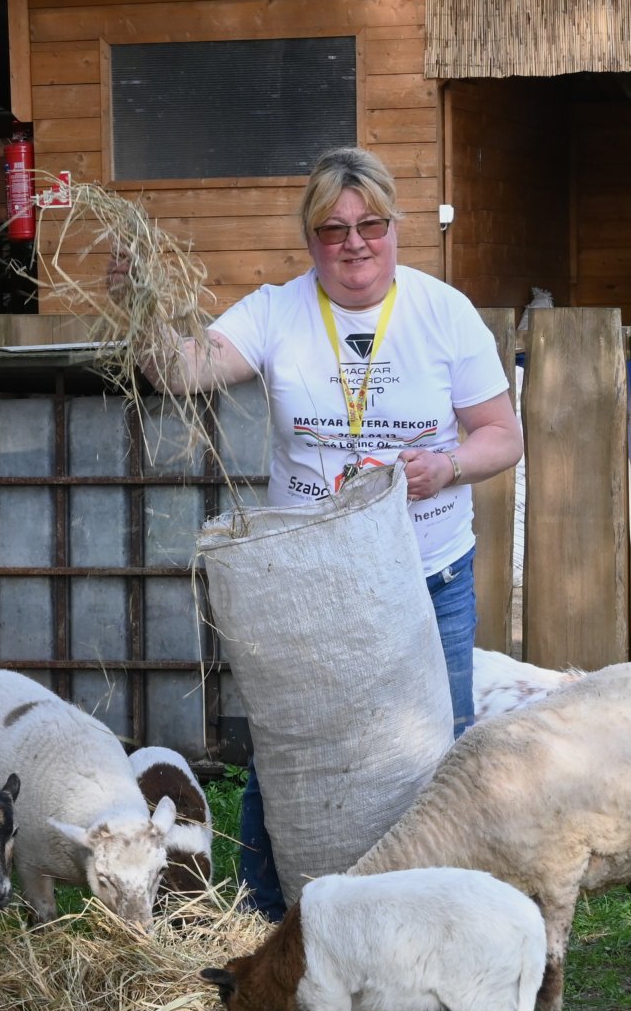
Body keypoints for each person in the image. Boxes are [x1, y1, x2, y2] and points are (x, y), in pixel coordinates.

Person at [127, 146, 524, 920]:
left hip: (426, 573)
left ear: (393, 227)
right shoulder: (277, 311)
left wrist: (444, 466)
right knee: (289, 750)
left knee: (440, 752)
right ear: (309, 237)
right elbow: (180, 370)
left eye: (370, 224)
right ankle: (263, 925)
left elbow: (502, 435)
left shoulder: (444, 313)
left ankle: (436, 924)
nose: (354, 243)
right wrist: (140, 308)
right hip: (310, 581)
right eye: (332, 228)